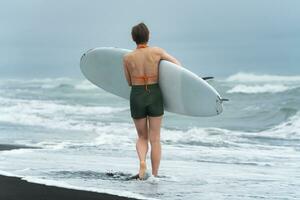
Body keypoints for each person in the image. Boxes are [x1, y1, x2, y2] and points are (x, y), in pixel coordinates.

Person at [123, 22, 182, 179]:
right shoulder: (157, 51)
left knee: (142, 136)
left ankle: (142, 162)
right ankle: (154, 175)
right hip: (154, 93)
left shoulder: (127, 58)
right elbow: (177, 65)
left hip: (137, 94)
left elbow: (129, 82)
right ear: (148, 35)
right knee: (155, 138)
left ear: (132, 38)